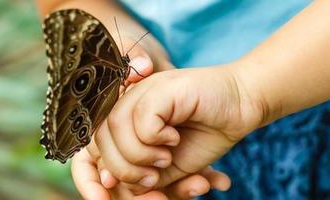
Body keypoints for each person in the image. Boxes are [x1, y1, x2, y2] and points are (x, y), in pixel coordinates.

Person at [36, 0, 330, 199]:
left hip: (308, 89)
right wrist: (123, 34)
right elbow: (60, 5)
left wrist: (244, 91)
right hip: (186, 131)